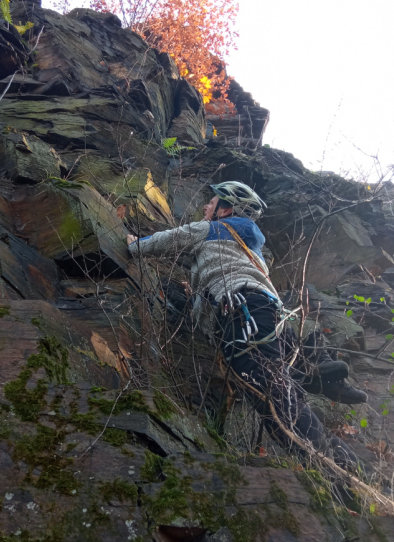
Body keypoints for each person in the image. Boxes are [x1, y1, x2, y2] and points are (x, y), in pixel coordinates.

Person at [127, 180, 367, 469]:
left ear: (225, 209)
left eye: (212, 202)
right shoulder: (251, 248)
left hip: (243, 311)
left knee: (267, 389)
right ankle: (319, 372)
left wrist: (135, 244)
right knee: (280, 367)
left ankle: (334, 464)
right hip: (267, 311)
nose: (205, 206)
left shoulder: (211, 229)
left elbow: (169, 239)